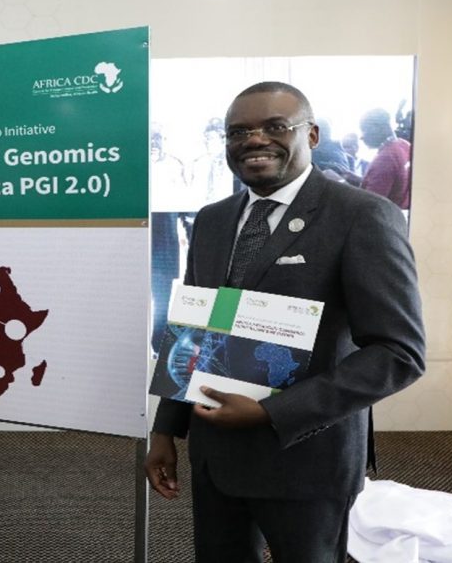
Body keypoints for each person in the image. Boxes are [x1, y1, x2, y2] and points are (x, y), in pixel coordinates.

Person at [144, 82, 426, 562]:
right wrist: (165, 430)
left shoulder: (361, 216)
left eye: (275, 126)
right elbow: (194, 327)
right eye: (238, 132)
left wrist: (273, 412)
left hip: (306, 457)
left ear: (311, 134)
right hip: (216, 453)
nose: (254, 140)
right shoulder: (212, 220)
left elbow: (399, 353)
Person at [359, 108, 412, 210]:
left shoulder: (385, 159)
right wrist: (356, 178)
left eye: (364, 130)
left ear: (378, 128)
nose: (361, 137)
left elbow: (369, 207)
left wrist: (341, 183)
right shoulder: (405, 145)